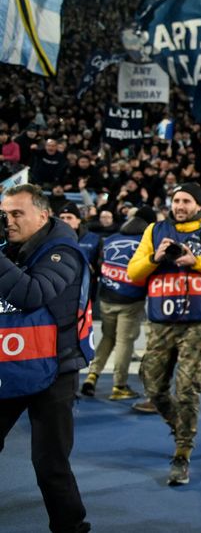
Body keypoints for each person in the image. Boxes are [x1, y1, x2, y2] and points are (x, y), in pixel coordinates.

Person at [126, 181, 201, 486]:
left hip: (196, 323)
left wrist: (196, 261)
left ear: (198, 205)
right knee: (152, 385)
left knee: (187, 388)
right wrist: (154, 258)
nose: (180, 206)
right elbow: (132, 272)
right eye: (176, 200)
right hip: (161, 323)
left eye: (187, 200)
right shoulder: (155, 231)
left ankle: (182, 453)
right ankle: (181, 426)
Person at [0, 183, 93, 533]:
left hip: (56, 369)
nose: (8, 221)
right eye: (4, 214)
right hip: (13, 365)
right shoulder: (11, 249)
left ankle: (71, 527)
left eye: (17, 214)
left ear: (43, 214)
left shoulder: (64, 251)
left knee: (50, 462)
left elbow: (31, 293)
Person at [80, 206, 156, 400]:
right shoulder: (145, 243)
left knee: (107, 337)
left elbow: (99, 264)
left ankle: (92, 375)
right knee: (124, 341)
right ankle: (119, 385)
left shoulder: (112, 238)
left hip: (106, 296)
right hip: (130, 300)